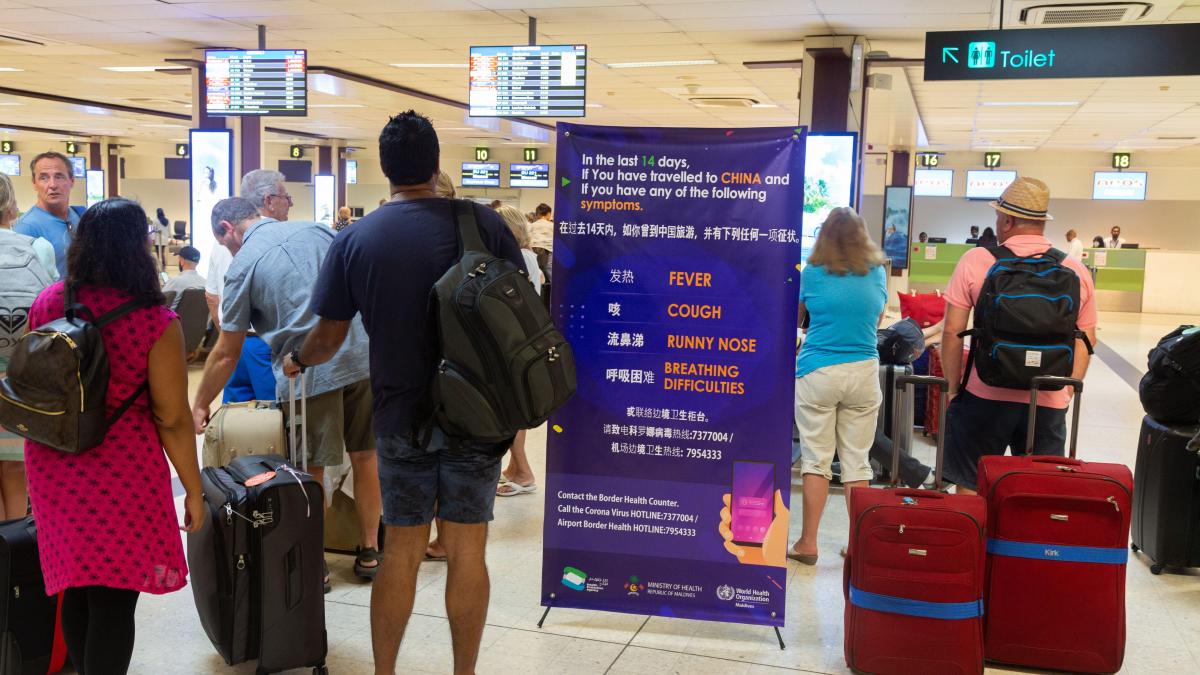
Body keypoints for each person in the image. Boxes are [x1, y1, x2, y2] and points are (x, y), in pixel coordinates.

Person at [282, 110, 524, 675]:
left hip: (399, 416)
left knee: (402, 551)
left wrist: (296, 358)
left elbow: (328, 337)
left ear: (384, 169)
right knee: (467, 551)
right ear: (437, 164)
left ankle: (385, 672)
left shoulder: (356, 239)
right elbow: (520, 313)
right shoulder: (483, 226)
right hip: (478, 414)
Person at [23, 198, 204, 673]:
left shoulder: (49, 301)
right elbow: (171, 418)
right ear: (137, 248)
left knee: (78, 586)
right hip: (121, 467)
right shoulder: (154, 320)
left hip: (53, 460)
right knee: (114, 600)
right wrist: (194, 489)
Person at [191, 197, 383, 584]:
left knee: (310, 470)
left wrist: (199, 402)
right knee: (367, 458)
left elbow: (227, 352)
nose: (229, 250)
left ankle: (315, 564)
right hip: (364, 356)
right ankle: (369, 552)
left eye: (224, 242)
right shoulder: (315, 229)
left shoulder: (242, 265)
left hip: (310, 371)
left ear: (228, 229)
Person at [938, 177, 1097, 494]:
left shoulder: (976, 261)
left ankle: (977, 543)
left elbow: (952, 331)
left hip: (984, 394)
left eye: (998, 216)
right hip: (1047, 398)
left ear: (1008, 220)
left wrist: (954, 388)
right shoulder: (1075, 270)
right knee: (1038, 494)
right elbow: (1087, 338)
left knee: (972, 485)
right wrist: (1064, 394)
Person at [786, 207, 887, 565]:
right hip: (862, 372)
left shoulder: (812, 273)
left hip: (818, 372)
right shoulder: (877, 273)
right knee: (857, 463)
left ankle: (808, 543)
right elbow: (874, 320)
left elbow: (795, 320)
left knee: (816, 460)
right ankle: (857, 545)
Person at [204, 170, 292, 405]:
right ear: (269, 201)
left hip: (231, 344)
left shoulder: (221, 238)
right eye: (286, 197)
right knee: (275, 423)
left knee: (235, 421)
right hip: (266, 345)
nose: (290, 204)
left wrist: (228, 334)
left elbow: (212, 296)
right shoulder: (279, 237)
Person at [0, 172, 54, 520]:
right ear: (11, 204)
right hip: (23, 384)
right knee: (17, 475)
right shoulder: (37, 248)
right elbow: (53, 311)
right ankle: (14, 562)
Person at [493, 205, 545, 498]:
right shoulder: (529, 257)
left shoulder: (512, 259)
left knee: (509, 413)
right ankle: (516, 468)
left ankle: (523, 471)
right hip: (524, 343)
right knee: (516, 411)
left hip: (511, 344)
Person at [14, 152, 83, 278]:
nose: (52, 185)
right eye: (44, 178)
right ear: (34, 183)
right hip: (49, 297)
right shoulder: (26, 228)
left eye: (59, 176)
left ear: (72, 181)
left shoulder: (81, 217)